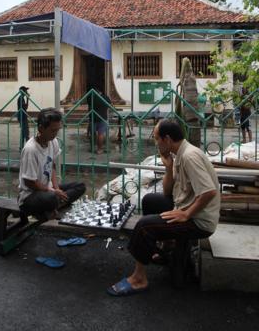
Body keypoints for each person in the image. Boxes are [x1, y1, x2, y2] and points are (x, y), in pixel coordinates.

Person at [107, 118, 220, 296]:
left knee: (145, 226)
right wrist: (168, 168)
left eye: (157, 139)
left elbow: (209, 192)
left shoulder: (190, 156)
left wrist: (186, 214)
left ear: (167, 139)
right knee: (150, 200)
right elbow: (168, 192)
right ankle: (167, 248)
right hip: (184, 206)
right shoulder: (179, 154)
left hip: (199, 220)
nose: (156, 143)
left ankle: (139, 279)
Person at [18, 107, 85, 219]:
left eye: (57, 130)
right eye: (53, 130)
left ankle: (52, 207)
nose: (55, 134)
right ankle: (53, 205)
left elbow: (52, 165)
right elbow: (30, 182)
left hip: (48, 190)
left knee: (80, 186)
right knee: (52, 198)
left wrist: (56, 188)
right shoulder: (31, 149)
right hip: (30, 196)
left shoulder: (52, 142)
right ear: (41, 128)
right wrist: (53, 191)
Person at [89, 87, 111, 154]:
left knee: (92, 134)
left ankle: (92, 148)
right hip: (103, 118)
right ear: (100, 92)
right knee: (100, 134)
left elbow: (89, 105)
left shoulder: (91, 98)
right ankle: (99, 149)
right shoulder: (105, 97)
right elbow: (109, 104)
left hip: (93, 118)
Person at [17, 86, 30, 150]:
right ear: (22, 91)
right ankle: (28, 147)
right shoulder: (21, 98)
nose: (27, 92)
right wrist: (27, 98)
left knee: (23, 132)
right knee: (26, 132)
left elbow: (25, 107)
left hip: (22, 116)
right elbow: (25, 108)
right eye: (25, 91)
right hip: (22, 117)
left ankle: (21, 147)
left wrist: (27, 98)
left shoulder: (22, 98)